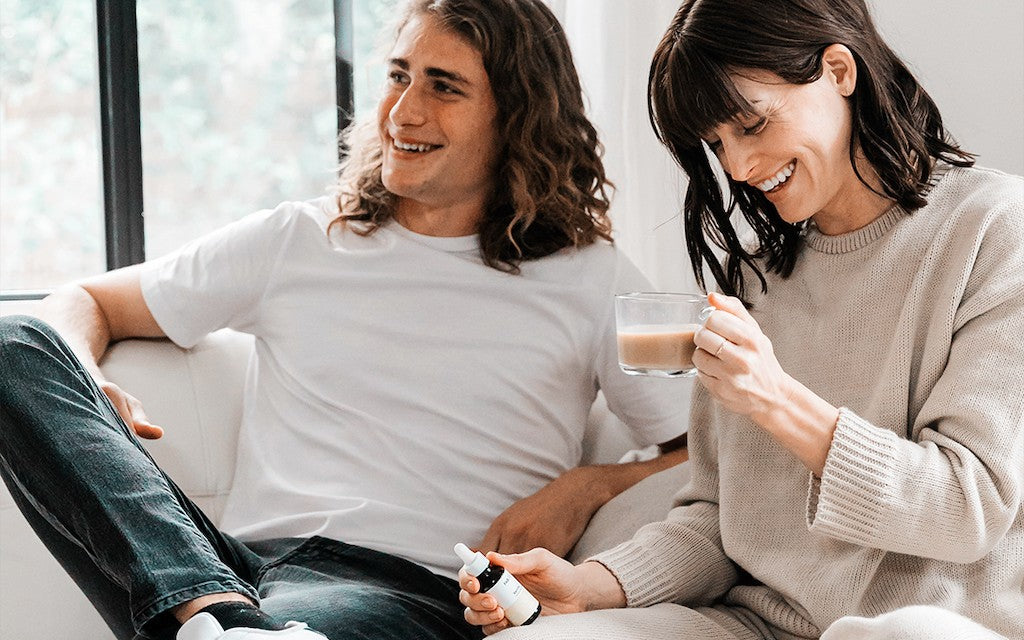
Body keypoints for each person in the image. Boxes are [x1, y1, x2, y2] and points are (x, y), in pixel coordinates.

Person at [0, 1, 691, 639]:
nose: (402, 111)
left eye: (443, 86)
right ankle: (218, 618)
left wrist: (589, 485)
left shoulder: (588, 274)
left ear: (516, 115)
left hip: (402, 589)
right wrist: (89, 377)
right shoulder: (300, 239)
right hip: (213, 566)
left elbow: (709, 449)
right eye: (399, 75)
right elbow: (82, 302)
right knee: (12, 343)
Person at [459, 0, 1024, 638]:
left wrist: (777, 400)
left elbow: (967, 508)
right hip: (753, 624)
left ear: (838, 71)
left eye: (751, 125)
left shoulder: (995, 231)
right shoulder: (755, 279)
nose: (739, 169)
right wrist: (589, 589)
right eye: (716, 144)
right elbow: (720, 519)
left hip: (924, 624)